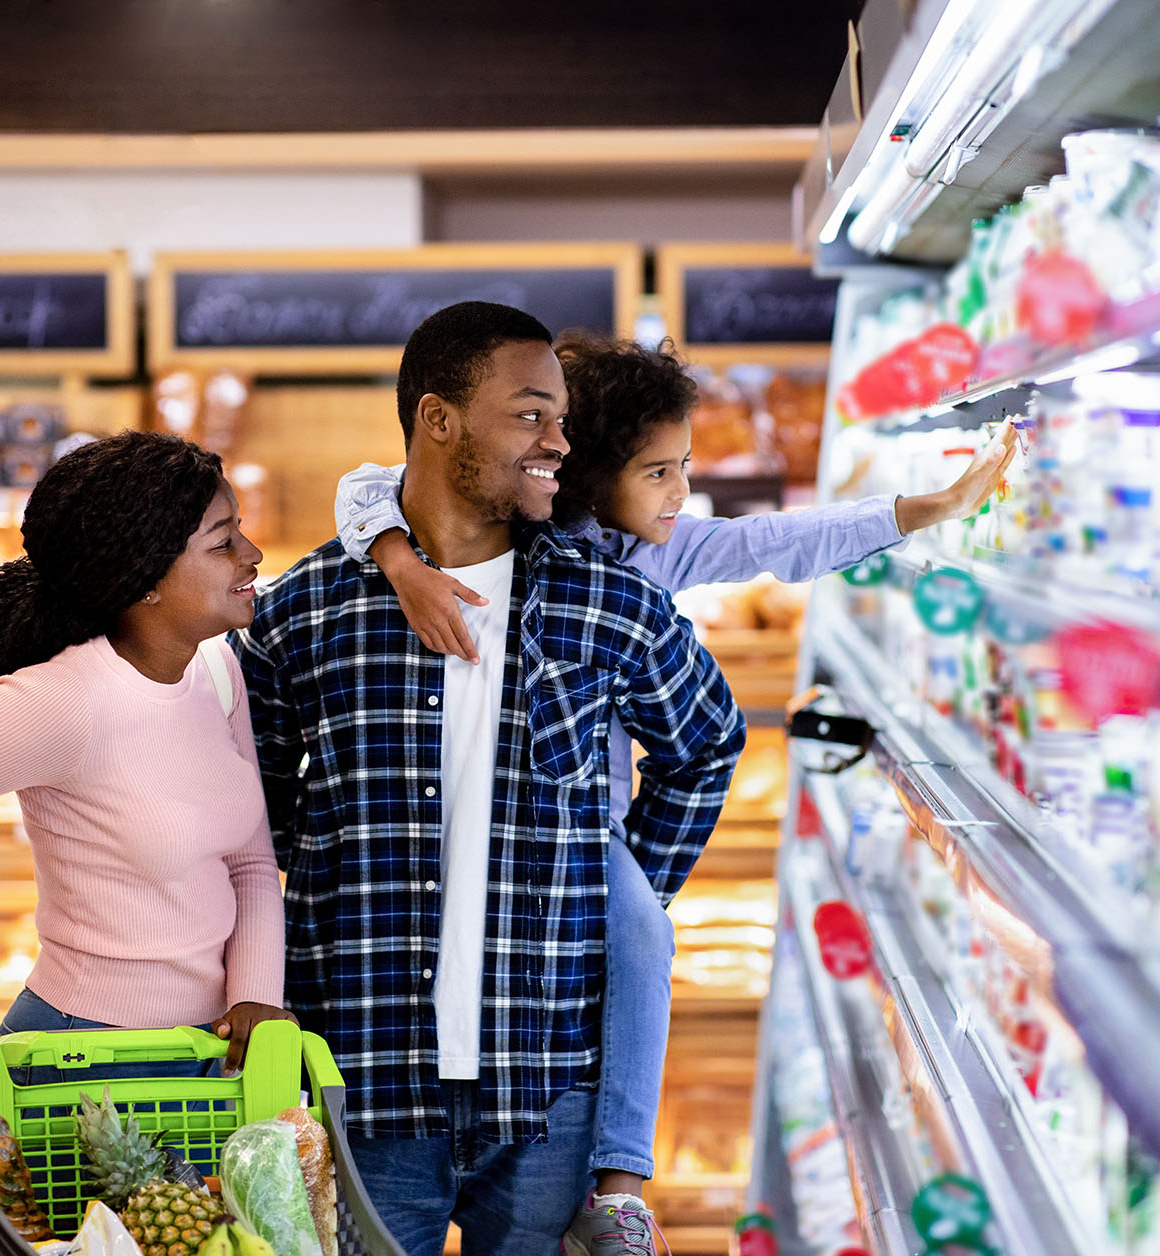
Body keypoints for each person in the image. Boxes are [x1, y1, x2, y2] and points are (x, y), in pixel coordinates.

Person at [335, 331, 1018, 1254]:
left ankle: (618, 1178)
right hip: (461, 828)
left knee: (643, 934)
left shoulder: (654, 556)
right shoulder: (505, 525)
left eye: (682, 468)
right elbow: (367, 484)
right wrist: (397, 560)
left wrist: (923, 509)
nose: (680, 493)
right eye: (658, 472)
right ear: (586, 469)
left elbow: (777, 541)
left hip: (585, 831)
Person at [238, 302, 745, 1256]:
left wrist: (615, 887)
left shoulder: (611, 605)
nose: (560, 440)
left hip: (548, 1082)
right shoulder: (303, 614)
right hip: (364, 1079)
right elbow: (250, 824)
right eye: (529, 415)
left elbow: (707, 744)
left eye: (560, 416)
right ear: (438, 420)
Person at [0, 431, 292, 1083]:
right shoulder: (66, 701)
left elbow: (249, 860)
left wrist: (256, 1000)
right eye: (222, 542)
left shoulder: (215, 669)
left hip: (207, 1055)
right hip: (86, 1059)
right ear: (145, 580)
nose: (252, 555)